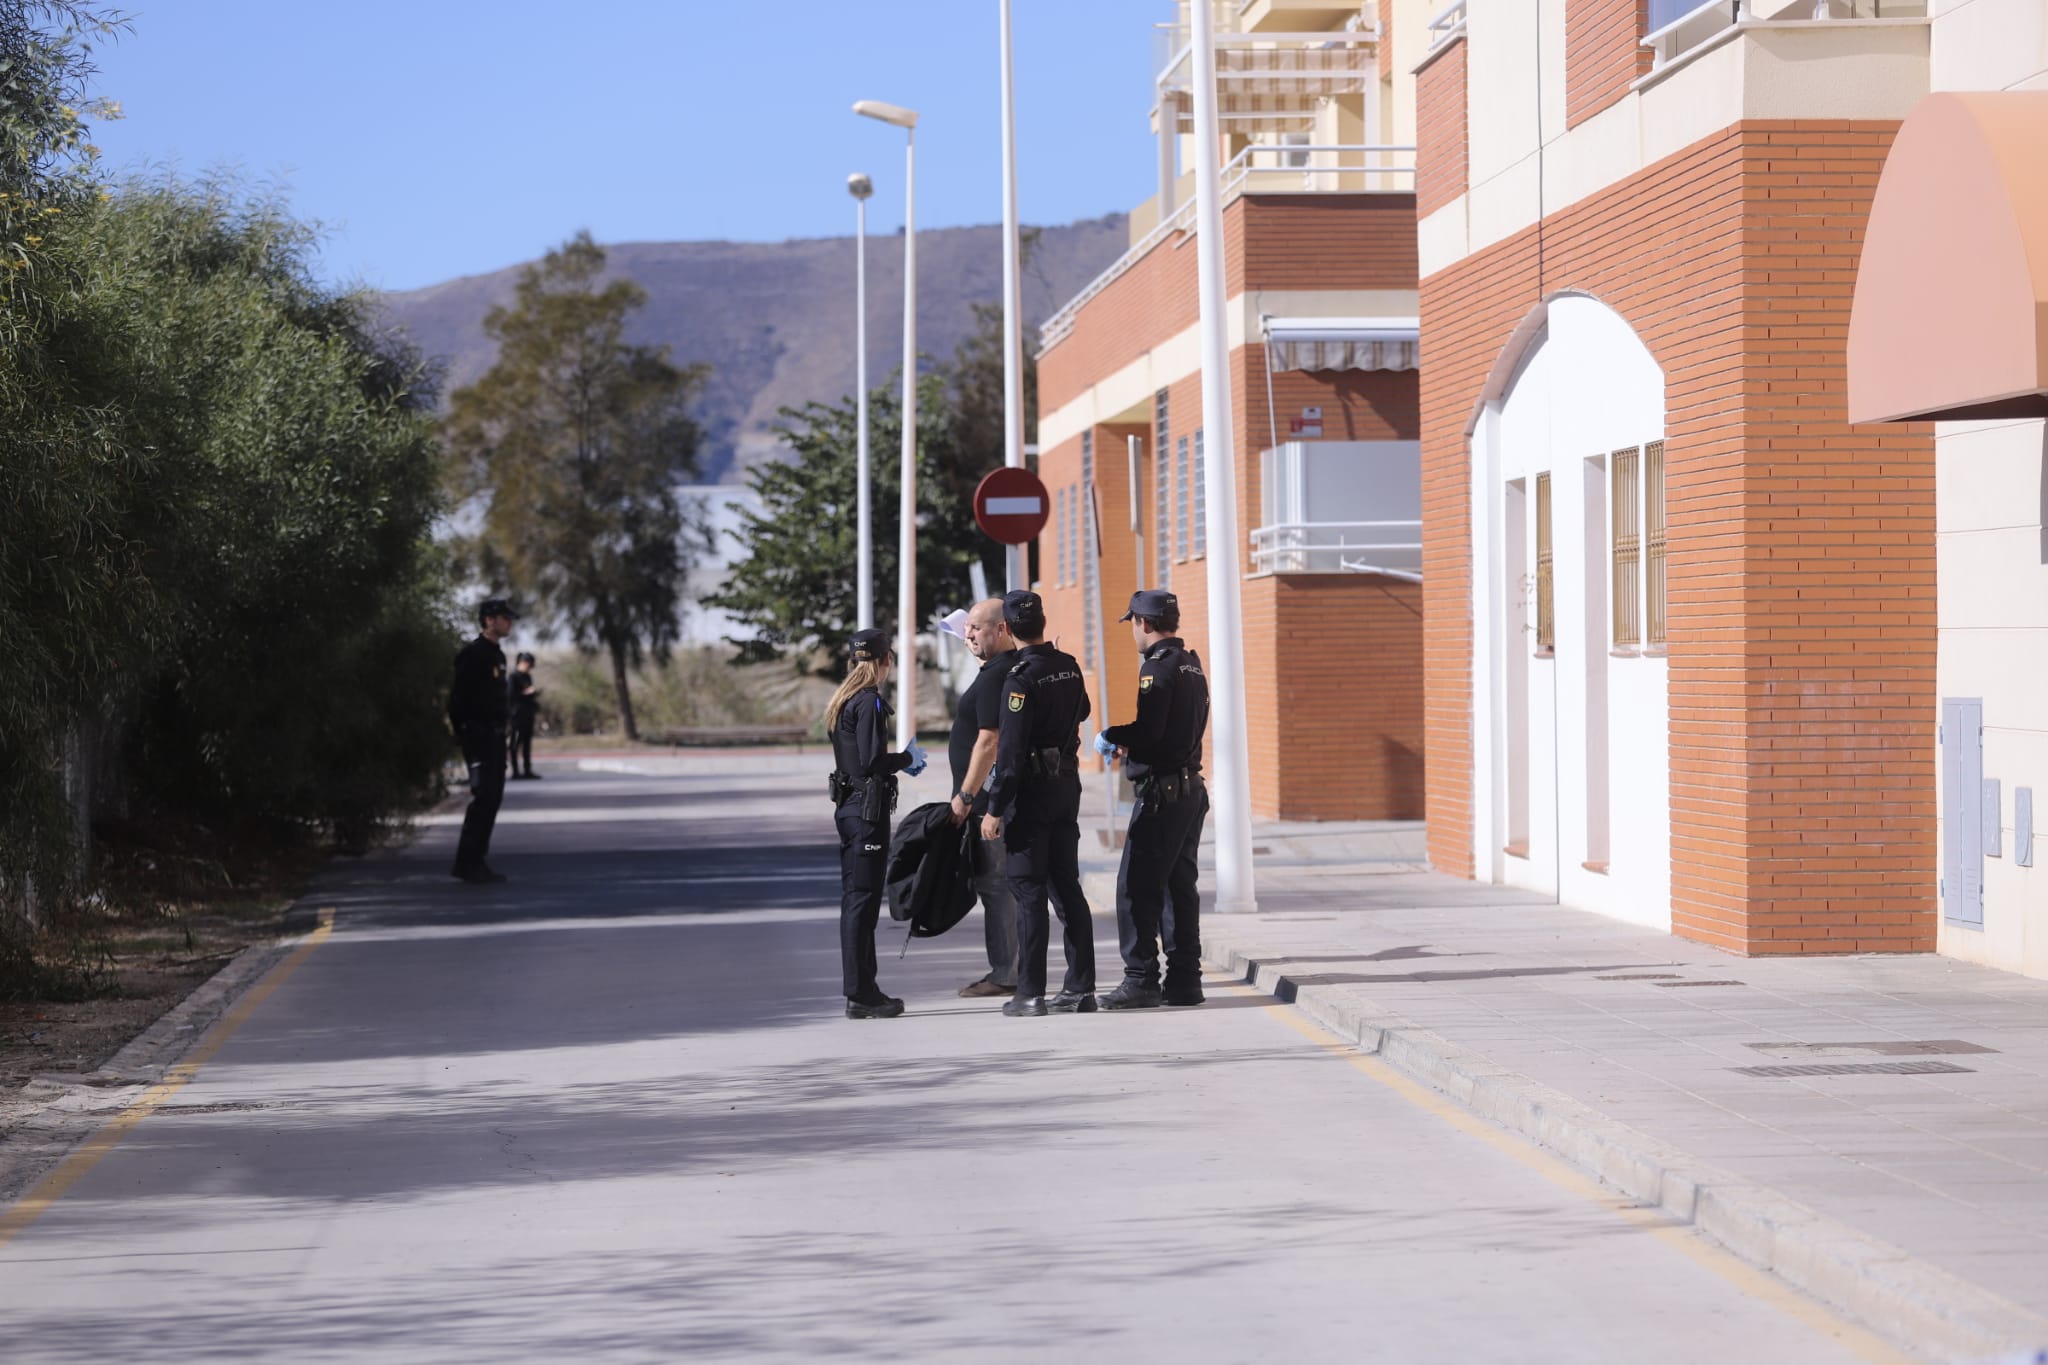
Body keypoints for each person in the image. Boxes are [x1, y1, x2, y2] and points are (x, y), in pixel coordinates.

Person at [981, 590, 1096, 1017]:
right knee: (1067, 888)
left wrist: (994, 809)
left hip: (1030, 796)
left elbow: (1008, 755)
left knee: (1028, 893)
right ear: (1044, 623)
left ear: (1007, 630)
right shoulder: (1067, 665)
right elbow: (1082, 710)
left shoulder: (1020, 678)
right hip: (1066, 787)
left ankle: (1030, 993)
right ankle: (1082, 988)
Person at [1095, 590, 1211, 1008]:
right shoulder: (1192, 665)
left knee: (1136, 888)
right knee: (1179, 887)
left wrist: (1112, 736)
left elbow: (1151, 731)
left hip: (1163, 793)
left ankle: (1141, 977)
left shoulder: (1156, 670)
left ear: (1143, 624)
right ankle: (1184, 980)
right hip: (1188, 789)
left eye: (1133, 624)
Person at [828, 628, 928, 1019]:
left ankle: (863, 989)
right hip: (866, 815)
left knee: (856, 900)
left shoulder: (843, 699)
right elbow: (871, 762)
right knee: (862, 904)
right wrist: (906, 759)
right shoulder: (867, 701)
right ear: (885, 661)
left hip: (849, 810)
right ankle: (862, 993)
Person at [947, 598, 1020, 998]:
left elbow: (989, 741)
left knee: (997, 887)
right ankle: (1012, 968)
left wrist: (965, 796)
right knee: (1003, 886)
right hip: (993, 799)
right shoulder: (999, 670)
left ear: (1002, 628)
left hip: (988, 802)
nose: (968, 633)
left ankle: (1007, 972)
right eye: (967, 628)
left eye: (976, 627)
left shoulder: (997, 675)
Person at [449, 598, 518, 884]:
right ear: (489, 620)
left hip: (495, 737)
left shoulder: (497, 655)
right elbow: (457, 700)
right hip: (479, 735)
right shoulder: (474, 654)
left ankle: (477, 860)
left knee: (493, 799)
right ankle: (466, 862)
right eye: (504, 617)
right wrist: (465, 733)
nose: (509, 622)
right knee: (483, 798)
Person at [507, 652, 542, 780]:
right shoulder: (513, 677)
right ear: (522, 662)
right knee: (515, 744)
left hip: (528, 714)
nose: (530, 667)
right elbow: (510, 696)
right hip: (516, 716)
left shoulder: (528, 677)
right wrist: (524, 693)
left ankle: (527, 770)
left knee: (527, 743)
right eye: (529, 664)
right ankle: (515, 771)